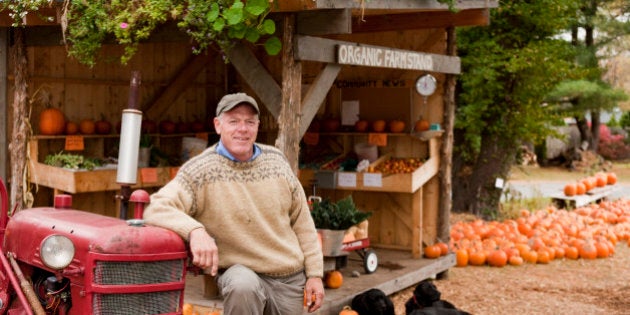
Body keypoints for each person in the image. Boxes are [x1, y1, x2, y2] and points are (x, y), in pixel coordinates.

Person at [143, 92, 325, 314]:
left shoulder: (277, 161)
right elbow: (157, 207)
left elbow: (302, 221)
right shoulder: (200, 171)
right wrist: (195, 231)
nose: (243, 129)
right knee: (242, 285)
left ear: (257, 126)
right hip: (240, 273)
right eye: (234, 121)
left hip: (288, 278)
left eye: (250, 122)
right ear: (218, 125)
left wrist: (315, 274)